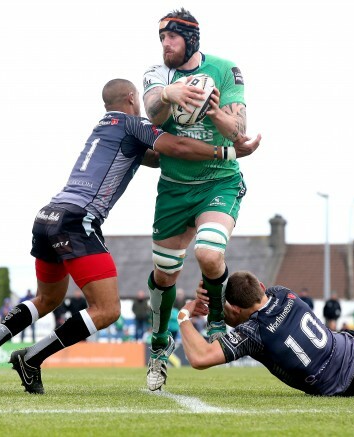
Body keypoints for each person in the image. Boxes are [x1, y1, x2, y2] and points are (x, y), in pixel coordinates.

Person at [0, 78, 261, 394]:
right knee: (107, 310)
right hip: (78, 221)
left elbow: (160, 157)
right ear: (132, 98)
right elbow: (176, 147)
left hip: (48, 216)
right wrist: (226, 152)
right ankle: (32, 357)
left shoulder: (105, 127)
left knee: (47, 298)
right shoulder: (133, 124)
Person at [142, 7, 254, 391]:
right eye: (161, 38)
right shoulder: (158, 75)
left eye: (171, 37)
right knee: (164, 274)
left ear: (189, 38)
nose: (165, 45)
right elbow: (151, 109)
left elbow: (238, 129)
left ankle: (218, 319)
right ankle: (159, 348)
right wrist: (170, 93)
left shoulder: (226, 69)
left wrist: (214, 112)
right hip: (174, 188)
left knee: (208, 253)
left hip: (218, 182)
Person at [178, 271, 354, 398]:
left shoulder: (252, 332)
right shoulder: (283, 292)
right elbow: (245, 309)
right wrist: (217, 305)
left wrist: (185, 315)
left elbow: (200, 358)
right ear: (262, 286)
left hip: (348, 388)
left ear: (236, 308)